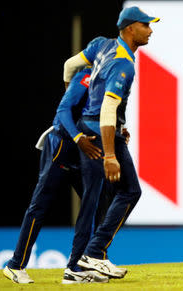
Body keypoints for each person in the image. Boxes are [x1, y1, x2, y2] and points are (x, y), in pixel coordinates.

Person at [61, 6, 159, 279]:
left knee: (99, 200)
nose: (150, 30)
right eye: (146, 25)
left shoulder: (101, 45)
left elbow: (69, 66)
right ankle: (92, 254)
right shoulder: (123, 63)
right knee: (128, 192)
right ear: (130, 29)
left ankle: (79, 267)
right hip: (101, 134)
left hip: (93, 127)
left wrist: (77, 101)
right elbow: (106, 109)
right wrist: (110, 155)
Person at [2, 67, 109, 284]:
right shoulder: (88, 76)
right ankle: (15, 265)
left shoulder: (111, 81)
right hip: (62, 147)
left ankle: (77, 266)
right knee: (39, 206)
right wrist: (78, 137)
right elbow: (63, 111)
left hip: (84, 152)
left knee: (96, 204)